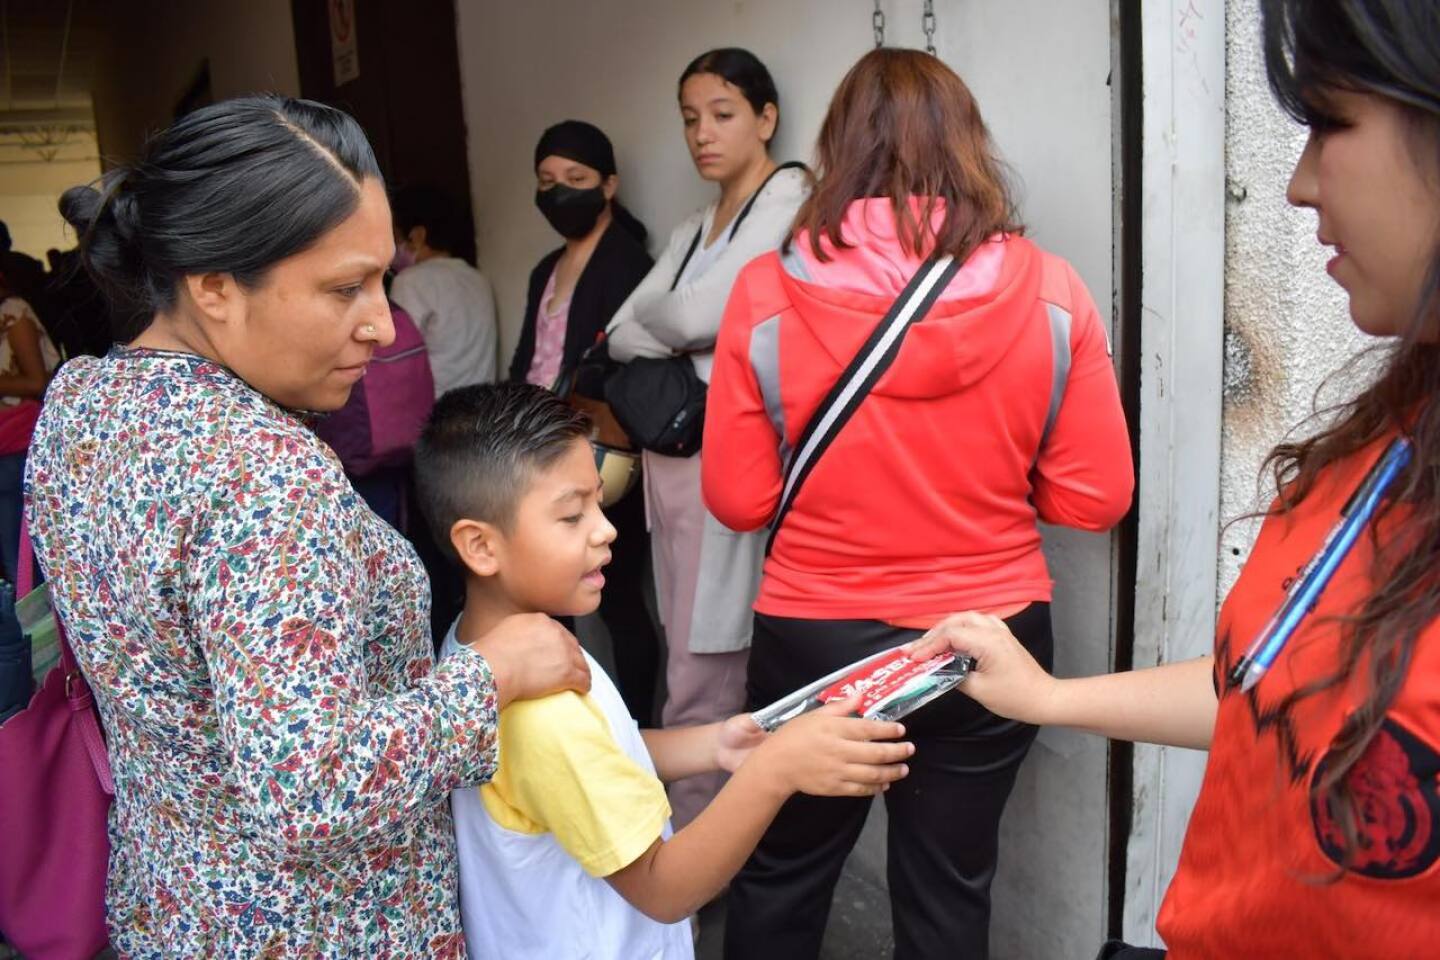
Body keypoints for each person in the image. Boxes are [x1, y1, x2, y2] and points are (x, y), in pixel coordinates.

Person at [913, 2, 1440, 957]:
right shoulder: (1389, 440)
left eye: (1331, 121)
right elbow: (1265, 684)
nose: (1298, 184)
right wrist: (1047, 695)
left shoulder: (763, 288)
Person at [33, 95, 591, 957]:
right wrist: (491, 672)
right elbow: (313, 792)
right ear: (214, 286)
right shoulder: (262, 473)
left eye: (382, 279)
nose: (380, 323)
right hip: (319, 926)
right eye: (344, 289)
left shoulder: (83, 401)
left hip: (172, 901)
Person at [702, 48, 1133, 959]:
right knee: (949, 897)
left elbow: (738, 499)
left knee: (782, 877)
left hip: (818, 642)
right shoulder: (1052, 289)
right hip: (989, 640)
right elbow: (1096, 498)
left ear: (837, 149)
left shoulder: (767, 292)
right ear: (970, 148)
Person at [414, 382, 914, 959]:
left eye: (599, 503)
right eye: (572, 516)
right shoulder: (542, 712)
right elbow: (664, 886)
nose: (605, 529)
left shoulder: (487, 651)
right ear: (480, 546)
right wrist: (774, 771)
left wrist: (715, 746)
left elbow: (601, 757)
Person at [607, 47, 811, 828]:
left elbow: (687, 317)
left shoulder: (790, 196)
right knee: (682, 639)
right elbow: (623, 331)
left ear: (765, 118)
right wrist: (692, 326)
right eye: (691, 119)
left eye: (722, 114)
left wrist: (690, 322)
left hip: (727, 455)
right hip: (672, 462)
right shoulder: (695, 225)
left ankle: (691, 853)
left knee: (709, 654)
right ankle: (699, 834)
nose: (702, 134)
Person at [512, 119, 661, 724]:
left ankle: (641, 731)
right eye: (547, 181)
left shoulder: (628, 261)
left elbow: (620, 361)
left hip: (603, 456)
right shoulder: (544, 268)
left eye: (575, 179)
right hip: (539, 453)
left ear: (609, 185)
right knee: (552, 593)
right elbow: (529, 357)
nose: (559, 192)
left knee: (620, 598)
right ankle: (572, 722)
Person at [390, 184, 499, 397]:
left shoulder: (410, 281)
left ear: (418, 236)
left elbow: (396, 358)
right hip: (482, 410)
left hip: (437, 414)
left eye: (395, 235)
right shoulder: (477, 278)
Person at [0, 269, 59, 583]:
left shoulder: (12, 313)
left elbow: (37, 380)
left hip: (16, 446)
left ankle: (35, 631)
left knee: (21, 559)